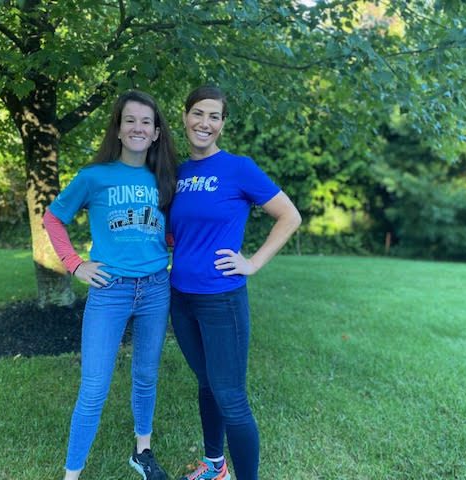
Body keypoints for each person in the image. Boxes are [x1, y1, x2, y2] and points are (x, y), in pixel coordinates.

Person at [169, 85, 302, 480]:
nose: (204, 122)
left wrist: (253, 263)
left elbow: (290, 216)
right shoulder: (177, 173)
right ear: (185, 117)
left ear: (222, 124)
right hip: (181, 298)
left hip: (221, 299)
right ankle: (215, 467)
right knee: (206, 384)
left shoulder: (238, 168)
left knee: (230, 397)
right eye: (198, 113)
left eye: (214, 116)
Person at [43, 90, 177, 480]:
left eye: (146, 122)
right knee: (94, 387)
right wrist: (74, 264)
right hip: (110, 290)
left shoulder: (165, 179)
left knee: (146, 375)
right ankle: (72, 474)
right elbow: (53, 219)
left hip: (156, 289)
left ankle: (142, 452)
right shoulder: (94, 176)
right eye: (130, 120)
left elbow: (169, 231)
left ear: (156, 133)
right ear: (118, 129)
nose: (138, 127)